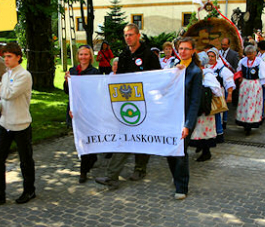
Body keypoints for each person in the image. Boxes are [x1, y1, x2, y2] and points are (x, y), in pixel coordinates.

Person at [95, 23, 161, 189]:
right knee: (125, 137)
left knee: (142, 138)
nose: (128, 38)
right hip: (127, 104)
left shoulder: (149, 55)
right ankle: (112, 176)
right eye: (125, 35)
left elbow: (158, 78)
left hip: (145, 104)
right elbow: (119, 79)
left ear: (138, 35)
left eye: (131, 34)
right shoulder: (123, 55)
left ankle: (140, 168)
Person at [0, 42, 36, 204]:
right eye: (4, 56)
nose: (6, 59)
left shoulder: (24, 75)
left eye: (9, 56)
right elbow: (5, 101)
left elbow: (8, 94)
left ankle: (29, 190)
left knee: (25, 160)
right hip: (5, 124)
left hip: (21, 125)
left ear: (18, 57)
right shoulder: (6, 75)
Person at [168, 38, 202, 200]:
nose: (183, 51)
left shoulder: (195, 72)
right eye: (181, 48)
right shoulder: (173, 66)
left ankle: (182, 186)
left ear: (193, 51)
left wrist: (187, 125)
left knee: (180, 151)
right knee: (169, 149)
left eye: (187, 49)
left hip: (185, 117)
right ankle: (176, 175)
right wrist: (174, 73)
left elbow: (195, 101)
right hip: (171, 116)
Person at [64, 45, 100, 182]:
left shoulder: (95, 72)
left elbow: (96, 92)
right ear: (77, 56)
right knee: (81, 139)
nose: (83, 57)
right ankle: (92, 158)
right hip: (74, 109)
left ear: (90, 56)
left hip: (88, 110)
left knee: (85, 140)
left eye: (86, 54)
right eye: (81, 54)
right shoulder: (73, 71)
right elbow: (67, 92)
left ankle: (83, 171)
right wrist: (66, 81)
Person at [235, 45, 265, 135]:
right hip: (245, 85)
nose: (249, 56)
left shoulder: (260, 62)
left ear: (255, 53)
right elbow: (239, 72)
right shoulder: (242, 61)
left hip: (255, 85)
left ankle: (251, 123)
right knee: (244, 103)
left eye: (251, 54)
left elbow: (264, 78)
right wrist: (239, 78)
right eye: (247, 54)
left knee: (252, 104)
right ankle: (244, 121)